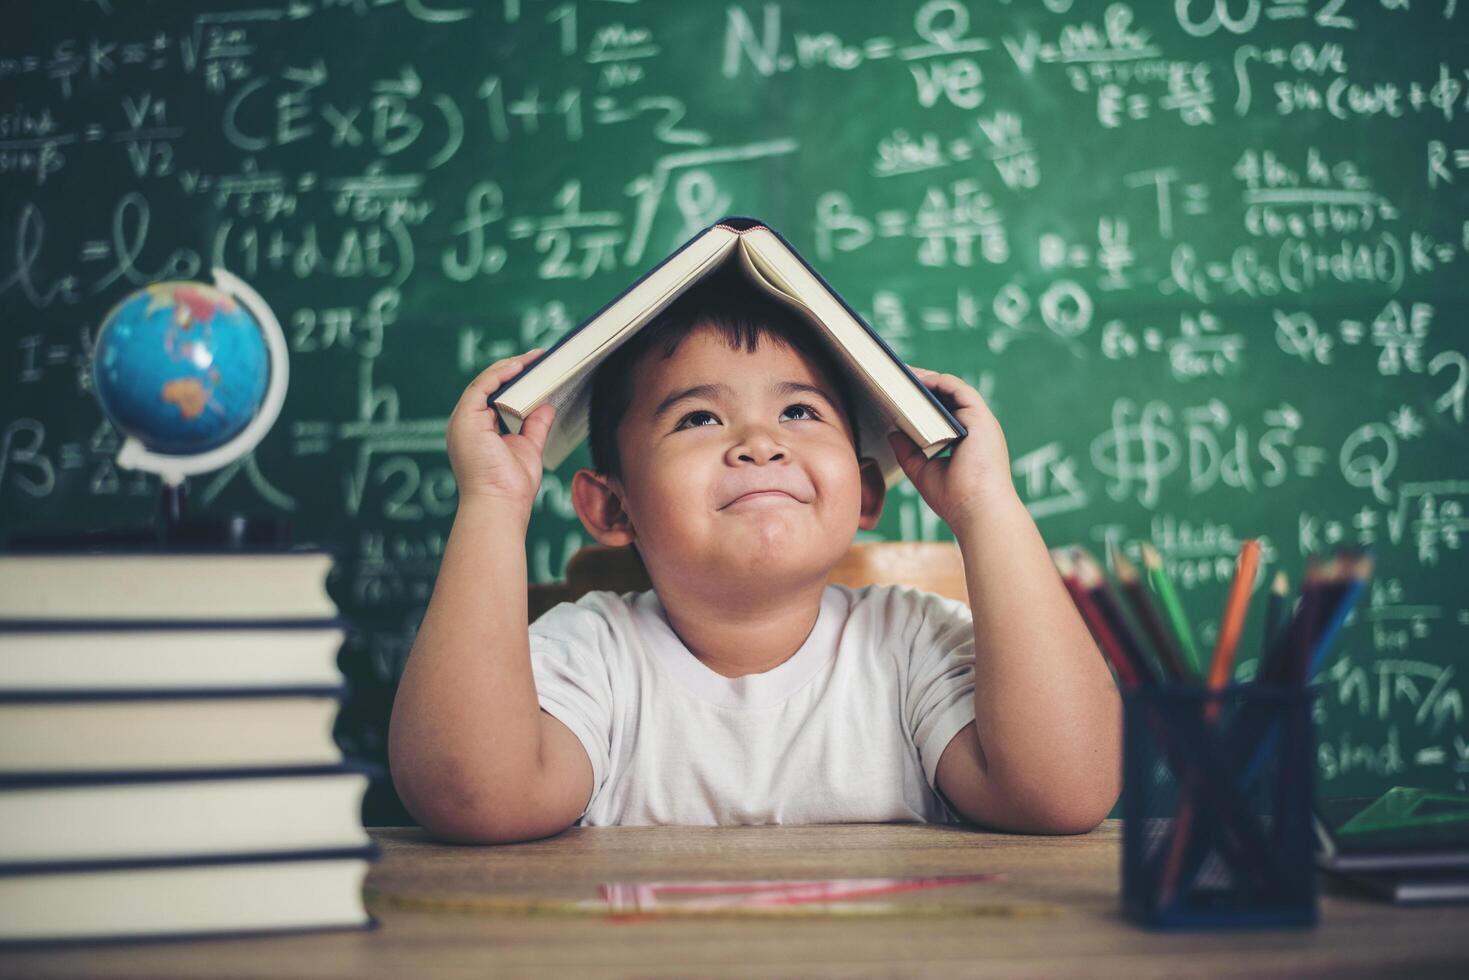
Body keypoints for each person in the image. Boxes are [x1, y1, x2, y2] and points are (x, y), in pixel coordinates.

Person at [389, 271, 1121, 843]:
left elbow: (1064, 794)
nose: (759, 442)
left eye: (799, 412)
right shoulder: (594, 653)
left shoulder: (911, 644)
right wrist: (492, 500)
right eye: (698, 417)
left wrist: (985, 505)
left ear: (867, 493)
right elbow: (471, 798)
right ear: (611, 506)